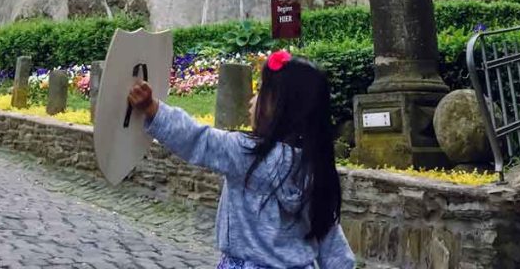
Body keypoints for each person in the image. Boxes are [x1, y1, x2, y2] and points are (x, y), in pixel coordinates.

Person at [128, 50, 357, 269]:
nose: (251, 100)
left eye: (260, 92)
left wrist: (153, 109)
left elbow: (198, 139)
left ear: (277, 107)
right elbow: (331, 241)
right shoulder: (314, 168)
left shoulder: (246, 154)